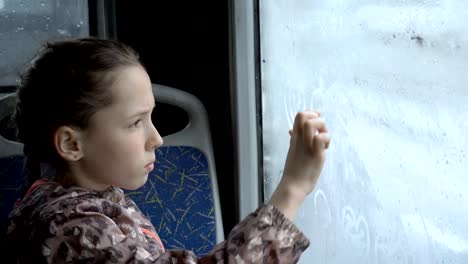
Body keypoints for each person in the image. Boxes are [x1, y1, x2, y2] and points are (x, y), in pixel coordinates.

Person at [2, 38, 330, 263]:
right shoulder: (72, 228)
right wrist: (293, 188)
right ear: (72, 144)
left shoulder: (83, 199)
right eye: (134, 123)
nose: (156, 138)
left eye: (151, 118)